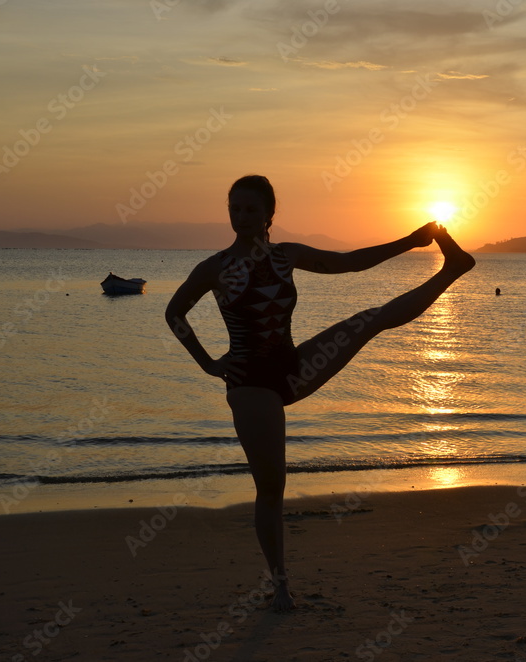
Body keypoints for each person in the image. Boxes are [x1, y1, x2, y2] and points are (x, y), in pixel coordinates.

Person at [165, 174, 474, 611]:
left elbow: (350, 263)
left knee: (373, 318)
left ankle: (453, 269)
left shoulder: (286, 256)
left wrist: (409, 241)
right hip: (251, 385)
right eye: (234, 208)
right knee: (272, 488)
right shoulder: (214, 268)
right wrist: (209, 363)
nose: (241, 217)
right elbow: (174, 312)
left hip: (293, 368)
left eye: (251, 209)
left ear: (270, 214)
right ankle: (280, 587)